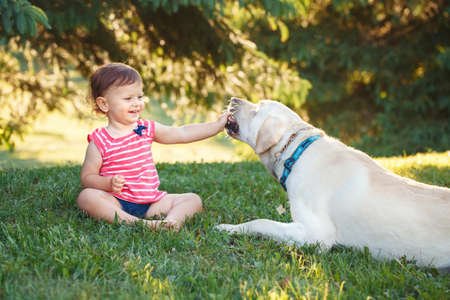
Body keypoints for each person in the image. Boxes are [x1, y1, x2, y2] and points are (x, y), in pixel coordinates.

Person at [77, 62, 228, 230]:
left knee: (192, 199)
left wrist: (216, 127)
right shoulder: (100, 140)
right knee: (87, 197)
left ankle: (171, 223)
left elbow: (183, 133)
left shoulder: (146, 129)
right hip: (115, 201)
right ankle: (136, 224)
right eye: (128, 98)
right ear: (104, 104)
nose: (136, 103)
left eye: (139, 97)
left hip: (151, 203)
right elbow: (87, 178)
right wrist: (107, 183)